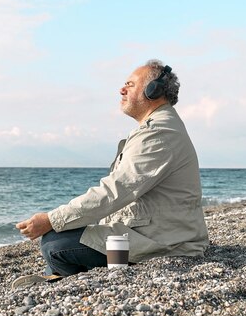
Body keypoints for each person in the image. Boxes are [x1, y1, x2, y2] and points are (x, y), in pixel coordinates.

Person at [12, 59, 209, 288]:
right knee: (62, 237)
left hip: (169, 243)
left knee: (54, 244)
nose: (121, 89)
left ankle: (62, 279)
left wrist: (51, 219)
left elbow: (116, 190)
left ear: (152, 90)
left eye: (130, 84)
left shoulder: (159, 132)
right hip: (162, 233)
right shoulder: (159, 127)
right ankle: (57, 274)